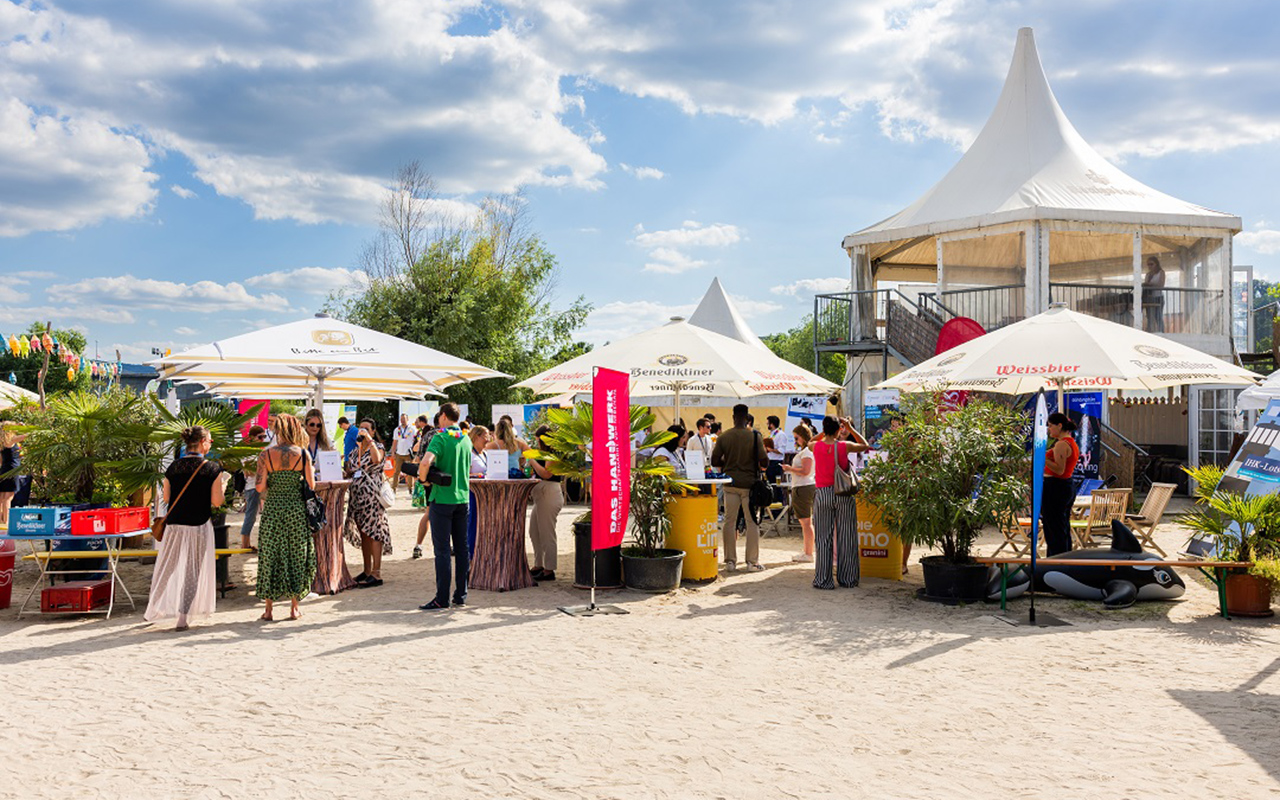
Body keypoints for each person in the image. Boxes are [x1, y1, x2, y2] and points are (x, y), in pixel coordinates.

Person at [145, 426, 225, 631]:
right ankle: (183, 616)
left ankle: (153, 608)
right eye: (210, 441)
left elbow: (166, 498)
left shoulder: (173, 467)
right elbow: (217, 502)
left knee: (166, 566)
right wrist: (222, 488)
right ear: (202, 442)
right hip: (198, 525)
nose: (210, 444)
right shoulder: (212, 469)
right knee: (193, 571)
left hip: (174, 525)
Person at [255, 415, 316, 621]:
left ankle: (269, 609)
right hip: (295, 510)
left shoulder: (266, 455)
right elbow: (311, 485)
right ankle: (294, 607)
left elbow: (259, 487)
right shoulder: (303, 454)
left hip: (273, 509)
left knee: (270, 554)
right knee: (296, 554)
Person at [419, 402, 471, 611]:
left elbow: (425, 462)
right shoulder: (465, 438)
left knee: (441, 551)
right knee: (462, 549)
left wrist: (424, 481)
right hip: (462, 498)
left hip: (442, 499)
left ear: (442, 417)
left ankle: (442, 597)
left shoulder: (440, 437)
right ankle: (461, 594)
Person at [811, 415, 870, 590]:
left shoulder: (816, 446)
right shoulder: (845, 446)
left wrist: (825, 431)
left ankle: (823, 579)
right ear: (839, 430)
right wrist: (850, 428)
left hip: (822, 494)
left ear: (824, 429)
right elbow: (865, 445)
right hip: (843, 493)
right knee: (847, 536)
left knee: (823, 538)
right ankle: (848, 579)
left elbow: (809, 441)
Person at [711, 404, 768, 572]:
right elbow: (764, 462)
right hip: (749, 485)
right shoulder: (755, 436)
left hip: (730, 483)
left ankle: (730, 561)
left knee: (729, 522)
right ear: (747, 417)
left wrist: (728, 463)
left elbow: (714, 461)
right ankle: (752, 562)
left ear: (733, 416)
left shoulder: (724, 436)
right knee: (752, 523)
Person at [344, 418, 391, 586]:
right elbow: (349, 470)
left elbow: (377, 460)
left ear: (372, 431)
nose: (361, 431)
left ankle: (377, 573)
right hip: (357, 498)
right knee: (364, 533)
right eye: (360, 428)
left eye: (366, 428)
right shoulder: (354, 451)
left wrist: (369, 440)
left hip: (372, 498)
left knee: (375, 533)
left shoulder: (377, 447)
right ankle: (367, 570)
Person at [527, 425, 564, 581]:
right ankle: (538, 564)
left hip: (549, 493)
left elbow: (546, 474)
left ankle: (549, 569)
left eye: (538, 440)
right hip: (542, 495)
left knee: (547, 532)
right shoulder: (545, 452)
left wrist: (532, 461)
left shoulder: (554, 453)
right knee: (534, 531)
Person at [1042, 412, 1080, 556]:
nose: (1049, 429)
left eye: (1051, 426)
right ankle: (1064, 556)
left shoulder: (1061, 444)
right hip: (1065, 486)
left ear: (1059, 425)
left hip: (1056, 486)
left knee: (1053, 526)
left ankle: (1056, 558)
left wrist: (1042, 458)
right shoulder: (1070, 442)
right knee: (1061, 525)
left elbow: (1059, 469)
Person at [781, 424, 815, 563]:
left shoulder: (807, 451)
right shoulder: (807, 450)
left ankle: (808, 553)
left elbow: (806, 471)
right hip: (803, 486)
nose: (795, 440)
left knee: (806, 522)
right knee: (806, 522)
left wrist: (790, 469)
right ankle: (807, 551)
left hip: (803, 486)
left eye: (796, 437)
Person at [412, 412, 441, 559]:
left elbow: (418, 457)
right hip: (440, 478)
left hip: (426, 478)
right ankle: (444, 545)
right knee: (444, 513)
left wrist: (422, 479)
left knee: (429, 513)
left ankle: (418, 545)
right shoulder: (441, 435)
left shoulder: (426, 436)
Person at [238, 425, 268, 550]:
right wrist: (262, 469)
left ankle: (249, 542)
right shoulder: (247, 451)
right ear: (252, 437)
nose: (262, 440)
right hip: (252, 486)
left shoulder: (260, 450)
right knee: (251, 515)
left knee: (259, 515)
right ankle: (245, 543)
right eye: (260, 437)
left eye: (264, 437)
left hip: (260, 485)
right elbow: (247, 472)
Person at [0, 425, 25, 527]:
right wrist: (23, 427)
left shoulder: (2, 443)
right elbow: (26, 435)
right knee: (8, 497)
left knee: (2, 497)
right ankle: (6, 521)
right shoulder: (11, 440)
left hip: (4, 470)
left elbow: (1, 461)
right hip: (12, 470)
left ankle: (1, 520)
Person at [391, 413, 414, 495]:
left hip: (408, 453)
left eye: (404, 419)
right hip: (399, 453)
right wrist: (393, 452)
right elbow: (395, 441)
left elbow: (415, 441)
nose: (402, 420)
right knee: (396, 471)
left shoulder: (412, 429)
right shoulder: (397, 429)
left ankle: (410, 488)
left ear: (407, 419)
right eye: (401, 419)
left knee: (410, 472)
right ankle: (393, 488)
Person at [765, 415, 793, 484]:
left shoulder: (781, 435)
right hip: (770, 461)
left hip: (776, 462)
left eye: (768, 424)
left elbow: (781, 450)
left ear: (771, 424)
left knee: (776, 484)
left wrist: (771, 450)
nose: (767, 425)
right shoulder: (772, 434)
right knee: (769, 483)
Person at [1142, 255, 1166, 332]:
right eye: (1148, 264)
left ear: (1156, 264)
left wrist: (1150, 285)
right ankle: (1150, 332)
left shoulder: (1161, 272)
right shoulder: (1148, 275)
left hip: (1158, 297)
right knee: (1149, 317)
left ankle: (1162, 333)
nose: (1150, 266)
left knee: (1158, 316)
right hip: (1149, 298)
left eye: (1151, 264)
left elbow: (1161, 285)